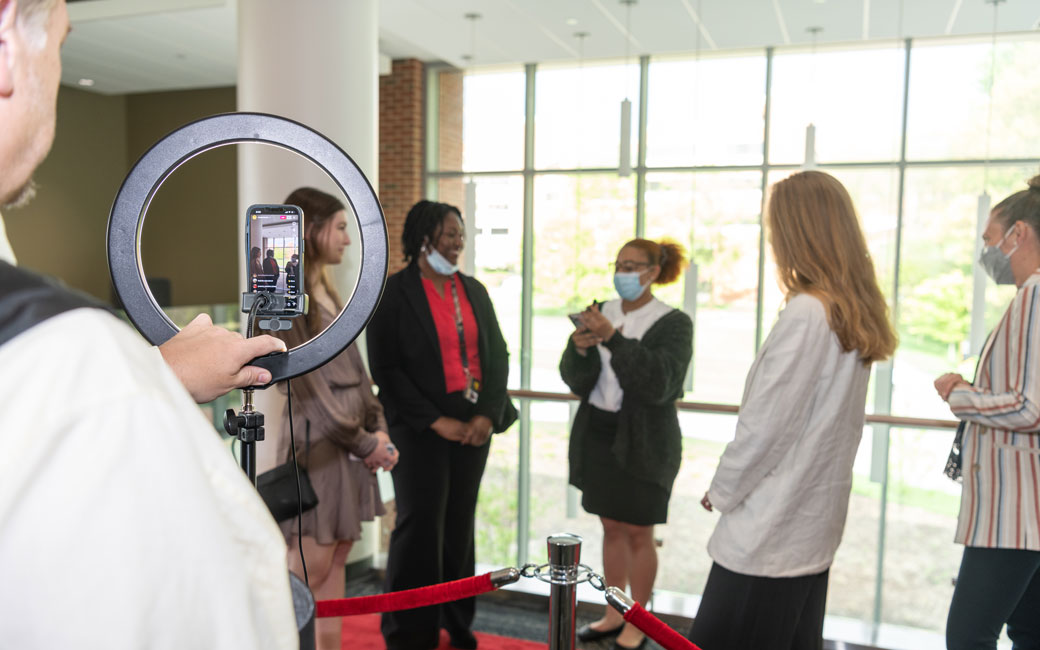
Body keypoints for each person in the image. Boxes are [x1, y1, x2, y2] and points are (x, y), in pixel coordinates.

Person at [0, 1, 295, 647]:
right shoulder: (73, 361)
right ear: (7, 36)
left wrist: (153, 375)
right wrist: (139, 382)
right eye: (59, 42)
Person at [688, 171, 896, 650]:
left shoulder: (807, 312)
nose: (771, 238)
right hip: (809, 523)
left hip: (769, 531)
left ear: (797, 232)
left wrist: (721, 490)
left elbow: (767, 428)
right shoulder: (848, 309)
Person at [368, 199, 517, 650]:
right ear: (425, 238)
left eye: (461, 236)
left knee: (458, 525)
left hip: (474, 430)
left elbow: (499, 357)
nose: (458, 244)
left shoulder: (473, 290)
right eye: (450, 234)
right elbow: (387, 371)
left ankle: (457, 622)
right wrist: (437, 422)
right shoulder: (393, 294)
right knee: (420, 525)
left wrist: (485, 416)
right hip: (418, 430)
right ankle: (410, 632)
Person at [272, 187, 399, 650]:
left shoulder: (328, 288)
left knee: (338, 555)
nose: (347, 239)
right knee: (313, 562)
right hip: (320, 445)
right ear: (312, 230)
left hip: (348, 439)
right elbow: (307, 393)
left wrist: (376, 423)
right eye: (341, 228)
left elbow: (357, 373)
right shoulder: (288, 298)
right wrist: (366, 442)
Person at [560, 238, 693, 650]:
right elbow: (575, 379)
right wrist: (579, 348)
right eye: (619, 264)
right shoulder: (602, 311)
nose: (624, 273)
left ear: (653, 273)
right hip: (599, 433)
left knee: (639, 530)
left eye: (633, 266)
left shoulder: (673, 322)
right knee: (611, 525)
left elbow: (657, 383)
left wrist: (611, 340)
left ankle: (639, 620)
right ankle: (612, 613)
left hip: (645, 441)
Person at [934, 175, 1040, 650]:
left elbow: (1029, 405)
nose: (988, 252)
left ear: (1018, 234)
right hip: (1025, 507)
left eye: (990, 239)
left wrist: (961, 393)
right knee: (1028, 631)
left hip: (1014, 510)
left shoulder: (1034, 297)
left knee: (969, 635)